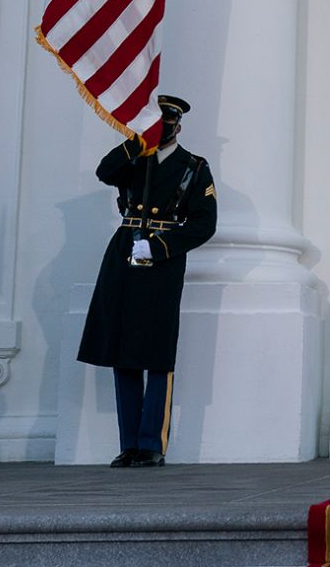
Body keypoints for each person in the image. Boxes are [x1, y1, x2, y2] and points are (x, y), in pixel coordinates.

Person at [77, 95, 217, 467]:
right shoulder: (133, 158)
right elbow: (104, 172)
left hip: (161, 260)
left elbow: (205, 224)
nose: (162, 129)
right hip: (124, 252)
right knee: (122, 350)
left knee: (155, 352)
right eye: (156, 123)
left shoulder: (194, 167)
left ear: (178, 127)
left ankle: (151, 443)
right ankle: (129, 444)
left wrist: (161, 247)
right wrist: (135, 143)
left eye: (167, 124)